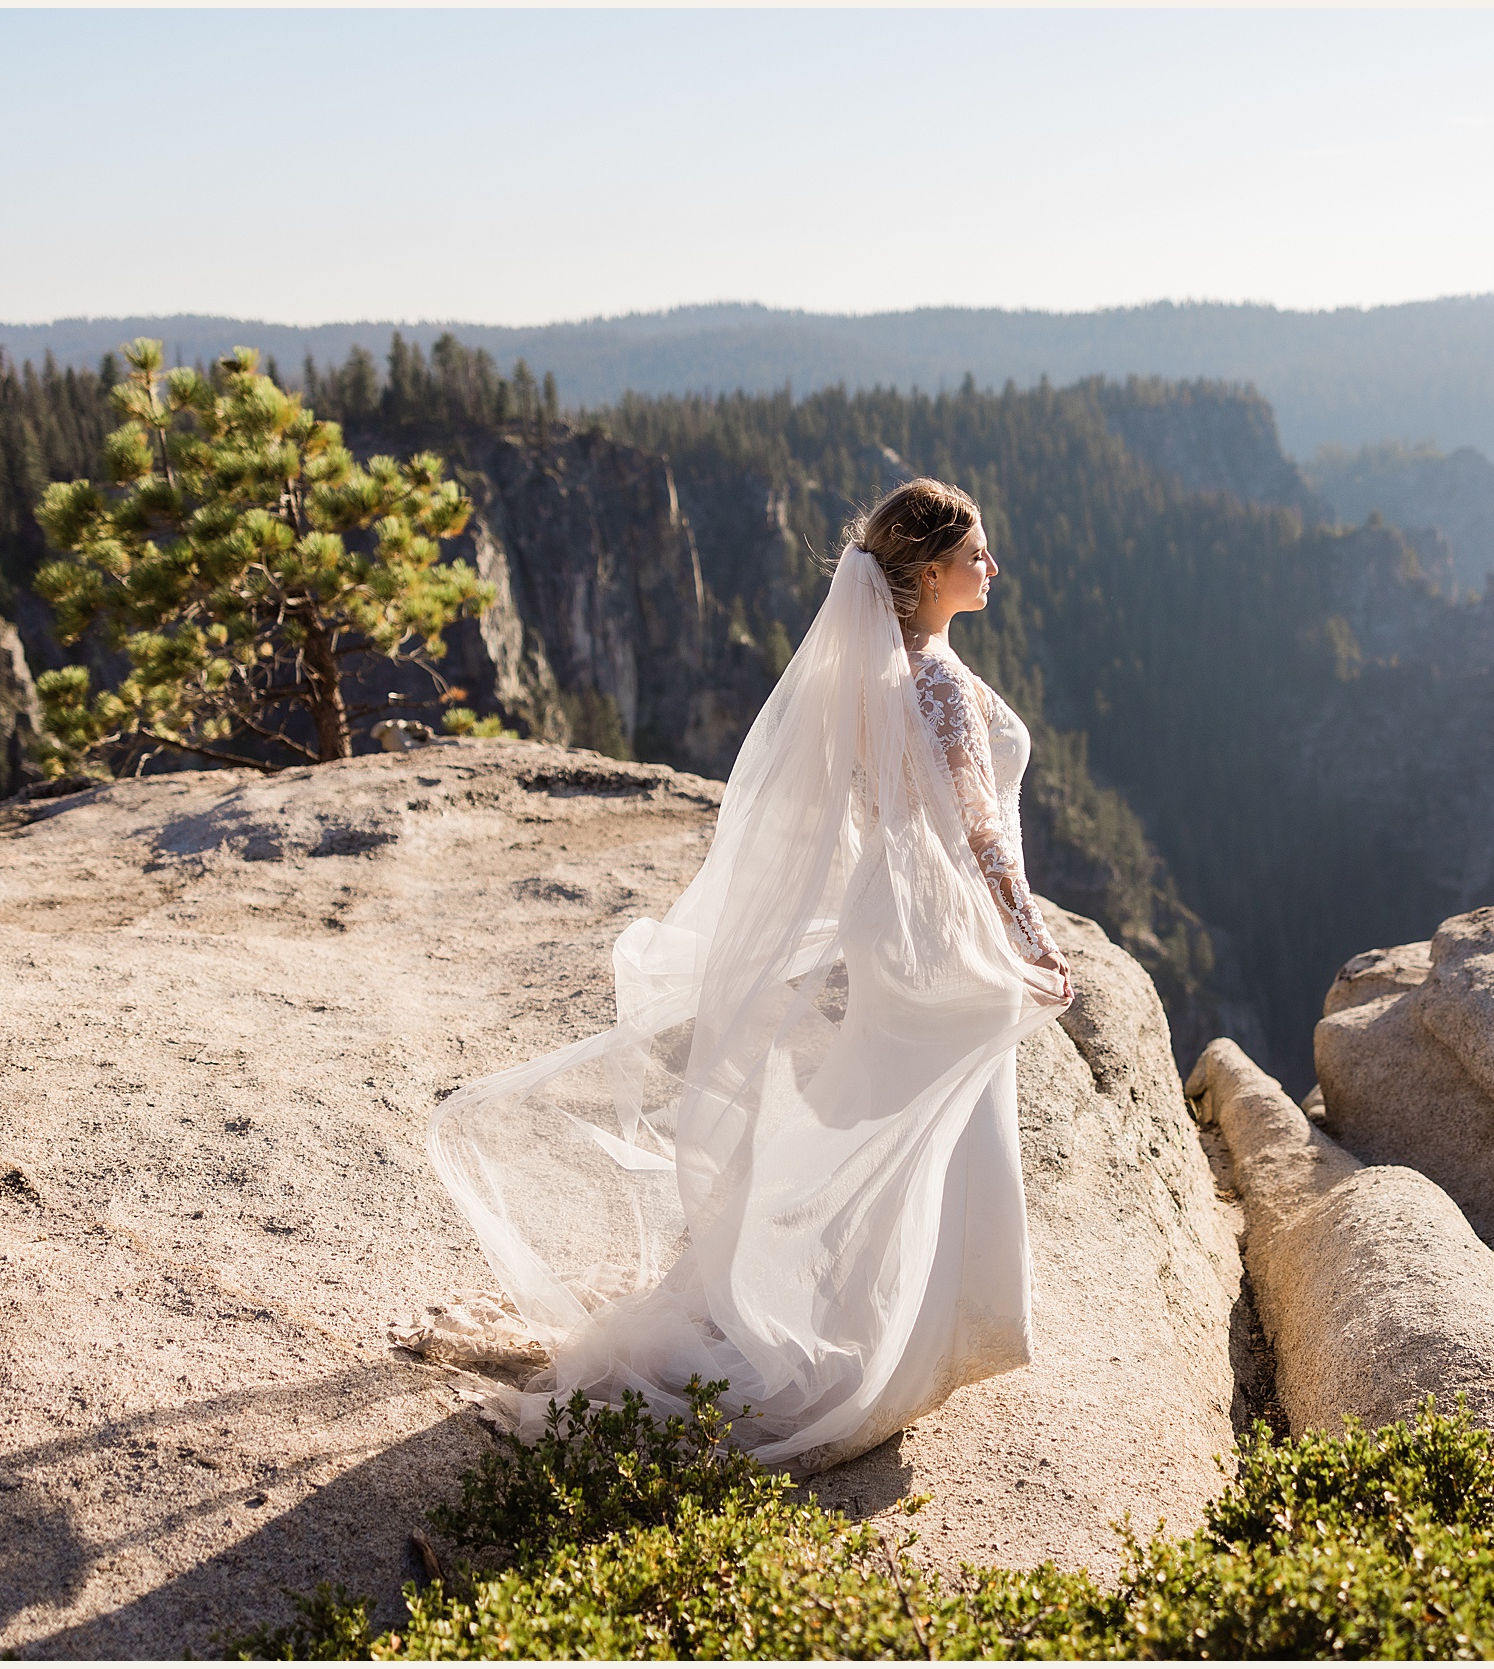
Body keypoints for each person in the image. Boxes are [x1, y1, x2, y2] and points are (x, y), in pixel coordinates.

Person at [427, 477, 1071, 1472]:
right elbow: (983, 833)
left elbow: (870, 809)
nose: (994, 567)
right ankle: (906, 1341)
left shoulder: (883, 668)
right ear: (933, 571)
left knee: (884, 1112)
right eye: (978, 554)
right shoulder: (933, 682)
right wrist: (1030, 935)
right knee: (939, 1126)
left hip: (894, 918)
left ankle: (832, 1310)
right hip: (948, 930)